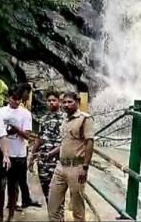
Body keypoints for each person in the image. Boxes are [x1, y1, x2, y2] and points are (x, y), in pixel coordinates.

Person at [47, 92, 94, 222]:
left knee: (77, 209)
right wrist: (52, 152)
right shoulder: (65, 121)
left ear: (77, 102)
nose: (66, 105)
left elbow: (89, 143)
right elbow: (66, 142)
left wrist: (85, 167)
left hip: (76, 168)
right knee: (53, 205)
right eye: (64, 102)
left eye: (69, 102)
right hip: (61, 167)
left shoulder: (85, 119)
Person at [2, 85, 41, 222]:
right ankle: (3, 212)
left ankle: (12, 213)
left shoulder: (25, 113)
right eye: (14, 99)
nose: (16, 102)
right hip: (3, 153)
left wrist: (16, 129)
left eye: (19, 99)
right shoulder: (0, 112)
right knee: (1, 184)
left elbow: (28, 136)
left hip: (19, 154)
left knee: (15, 183)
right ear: (8, 98)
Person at [29, 91, 64, 205]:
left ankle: (58, 216)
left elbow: (66, 142)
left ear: (59, 101)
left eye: (54, 100)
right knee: (46, 190)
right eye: (49, 101)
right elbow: (39, 139)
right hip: (43, 160)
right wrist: (32, 157)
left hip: (58, 160)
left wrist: (52, 153)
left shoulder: (65, 119)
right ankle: (52, 214)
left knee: (58, 191)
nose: (51, 103)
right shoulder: (43, 119)